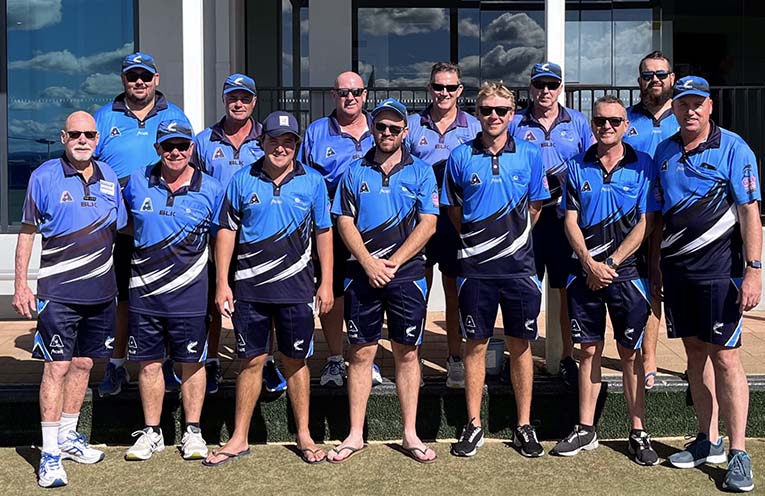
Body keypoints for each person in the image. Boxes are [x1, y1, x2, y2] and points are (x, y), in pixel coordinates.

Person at [204, 111, 332, 466]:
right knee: (251, 361)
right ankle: (238, 438)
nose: (281, 147)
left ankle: (304, 435)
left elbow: (324, 232)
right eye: (274, 140)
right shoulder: (242, 180)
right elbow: (226, 232)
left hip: (296, 289)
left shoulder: (314, 182)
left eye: (288, 141)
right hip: (250, 290)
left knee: (296, 361)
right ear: (261, 143)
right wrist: (222, 283)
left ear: (297, 145)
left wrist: (326, 282)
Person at [657, 76, 760, 493]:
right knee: (694, 356)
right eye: (683, 104)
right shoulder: (664, 151)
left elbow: (750, 211)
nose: (691, 110)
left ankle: (738, 453)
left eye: (698, 103)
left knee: (727, 359)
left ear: (710, 106)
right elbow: (659, 216)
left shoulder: (735, 148)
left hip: (722, 274)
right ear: (675, 108)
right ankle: (708, 440)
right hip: (679, 274)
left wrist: (754, 270)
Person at [13, 111, 126, 487]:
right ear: (63, 136)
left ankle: (68, 437)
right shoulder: (43, 175)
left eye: (89, 134)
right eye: (75, 133)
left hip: (101, 293)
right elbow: (28, 232)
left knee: (82, 365)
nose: (82, 140)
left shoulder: (110, 177)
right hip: (58, 293)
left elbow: (117, 232)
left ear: (97, 139)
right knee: (56, 368)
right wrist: (21, 285)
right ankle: (48, 454)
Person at [327, 98, 438, 464]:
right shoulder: (354, 171)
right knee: (360, 353)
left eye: (394, 128)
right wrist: (367, 262)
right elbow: (344, 220)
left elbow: (429, 223)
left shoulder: (421, 171)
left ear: (406, 131)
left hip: (406, 275)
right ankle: (355, 434)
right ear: (372, 129)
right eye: (381, 127)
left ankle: (410, 434)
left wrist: (392, 262)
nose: (387, 133)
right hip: (362, 274)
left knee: (407, 353)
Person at [550, 96, 659, 465]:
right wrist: (588, 262)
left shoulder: (644, 165)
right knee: (588, 352)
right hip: (585, 274)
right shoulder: (576, 167)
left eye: (614, 121)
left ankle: (639, 431)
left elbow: (646, 223)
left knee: (631, 355)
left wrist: (609, 263)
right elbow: (569, 220)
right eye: (600, 121)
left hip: (628, 275)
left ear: (627, 125)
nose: (607, 127)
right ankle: (586, 429)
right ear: (592, 125)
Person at [444, 82, 550, 458]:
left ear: (513, 114)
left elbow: (536, 207)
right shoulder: (459, 156)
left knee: (521, 348)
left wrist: (510, 242)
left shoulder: (531, 155)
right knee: (476, 346)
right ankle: (473, 425)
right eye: (487, 109)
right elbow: (455, 212)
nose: (493, 116)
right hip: (475, 269)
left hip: (520, 269)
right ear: (476, 113)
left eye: (502, 111)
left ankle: (523, 425)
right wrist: (483, 242)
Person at [122, 119, 224, 461]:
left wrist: (222, 284)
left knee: (191, 363)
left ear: (192, 148)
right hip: (145, 294)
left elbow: (220, 238)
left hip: (191, 294)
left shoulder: (211, 187)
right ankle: (152, 431)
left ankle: (193, 431)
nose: (175, 152)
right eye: (168, 146)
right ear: (157, 149)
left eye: (182, 145)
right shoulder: (137, 181)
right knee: (149, 364)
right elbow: (123, 225)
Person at [94, 51, 190, 397]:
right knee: (121, 298)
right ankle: (117, 366)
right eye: (132, 76)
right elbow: (90, 170)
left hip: (164, 225)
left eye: (145, 76)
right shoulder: (104, 118)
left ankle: (166, 363)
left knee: (165, 294)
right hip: (119, 229)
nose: (139, 82)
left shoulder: (175, 115)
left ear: (156, 80)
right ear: (123, 80)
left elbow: (188, 165)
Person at [191, 74, 286, 395]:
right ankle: (213, 361)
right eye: (233, 97)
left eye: (245, 98)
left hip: (259, 236)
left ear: (254, 101)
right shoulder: (204, 141)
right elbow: (192, 184)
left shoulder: (269, 138)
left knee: (264, 302)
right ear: (224, 99)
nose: (239, 103)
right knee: (213, 302)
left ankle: (268, 359)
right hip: (215, 235)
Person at [509, 62, 594, 387]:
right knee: (524, 290)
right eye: (540, 85)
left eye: (552, 85)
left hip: (563, 219)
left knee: (566, 290)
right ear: (531, 87)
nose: (545, 91)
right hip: (526, 219)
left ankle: (567, 357)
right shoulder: (516, 121)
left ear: (560, 88)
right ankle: (522, 358)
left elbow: (590, 162)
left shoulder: (578, 121)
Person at [299, 71, 380, 387]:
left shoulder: (380, 127)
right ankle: (334, 358)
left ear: (364, 95)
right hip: (329, 226)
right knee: (331, 289)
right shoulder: (317, 132)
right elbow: (305, 178)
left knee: (369, 290)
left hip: (373, 226)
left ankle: (365, 357)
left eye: (356, 92)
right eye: (343, 92)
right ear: (333, 95)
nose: (350, 97)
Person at [406, 62, 481, 389]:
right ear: (429, 88)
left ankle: (454, 359)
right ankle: (415, 360)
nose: (444, 94)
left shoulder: (475, 127)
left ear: (460, 90)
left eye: (451, 88)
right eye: (439, 87)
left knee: (454, 293)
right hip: (417, 221)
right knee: (416, 293)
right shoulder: (411, 125)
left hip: (455, 221)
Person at [623, 51, 679, 390]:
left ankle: (657, 358)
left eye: (660, 74)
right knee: (643, 286)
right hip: (636, 219)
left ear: (671, 78)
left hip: (676, 220)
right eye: (647, 75)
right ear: (639, 80)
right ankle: (642, 356)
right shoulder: (624, 120)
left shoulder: (685, 116)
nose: (654, 80)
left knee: (666, 287)